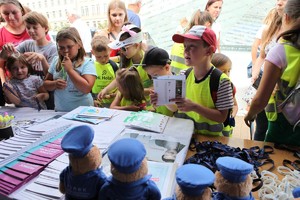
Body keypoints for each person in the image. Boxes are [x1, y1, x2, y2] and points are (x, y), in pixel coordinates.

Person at [151, 25, 234, 136]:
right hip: (187, 136)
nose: (185, 51)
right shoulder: (183, 75)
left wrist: (194, 107)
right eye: (185, 46)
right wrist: (163, 100)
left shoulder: (221, 81)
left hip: (212, 141)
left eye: (192, 46)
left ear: (209, 51)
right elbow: (175, 108)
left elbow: (222, 117)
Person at [244, 0, 300, 146]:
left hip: (283, 123)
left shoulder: (281, 51)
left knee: (273, 161)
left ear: (286, 17)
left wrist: (250, 114)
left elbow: (261, 99)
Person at [1, 11, 57, 109]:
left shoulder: (53, 48)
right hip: (29, 97)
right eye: (28, 27)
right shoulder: (27, 44)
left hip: (48, 93)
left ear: (45, 28)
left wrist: (42, 59)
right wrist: (6, 50)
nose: (31, 31)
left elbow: (52, 76)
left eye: (35, 27)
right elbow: (7, 57)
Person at [250, 0, 288, 141]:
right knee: (261, 126)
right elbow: (262, 56)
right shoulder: (268, 30)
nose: (279, 3)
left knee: (276, 128)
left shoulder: (293, 34)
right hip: (265, 83)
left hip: (282, 91)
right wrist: (255, 74)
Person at [43, 27, 96, 112]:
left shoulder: (87, 62)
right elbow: (46, 84)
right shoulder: (56, 61)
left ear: (79, 44)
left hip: (83, 112)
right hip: (61, 111)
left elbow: (86, 89)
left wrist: (70, 70)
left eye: (69, 47)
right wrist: (55, 84)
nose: (65, 51)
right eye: (61, 47)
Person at [99, 23, 152, 105]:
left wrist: (128, 91)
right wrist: (106, 89)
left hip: (149, 106)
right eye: (120, 48)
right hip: (131, 106)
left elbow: (156, 88)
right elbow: (119, 79)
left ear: (137, 45)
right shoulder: (127, 61)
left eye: (124, 48)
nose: (121, 52)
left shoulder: (150, 61)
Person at [0, 0, 30, 106]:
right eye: (6, 13)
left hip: (36, 85)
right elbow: (1, 66)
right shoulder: (1, 34)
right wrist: (5, 85)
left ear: (21, 11)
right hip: (15, 88)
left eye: (14, 12)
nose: (11, 17)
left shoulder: (33, 27)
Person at [170, 10, 213, 74]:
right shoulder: (198, 44)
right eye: (185, 46)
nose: (185, 51)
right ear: (208, 25)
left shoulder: (180, 41)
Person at [142, 47, 175, 117]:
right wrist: (153, 107)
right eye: (150, 76)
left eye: (155, 75)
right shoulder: (159, 84)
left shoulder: (176, 84)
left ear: (167, 68)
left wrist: (162, 98)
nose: (153, 79)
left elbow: (175, 108)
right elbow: (159, 109)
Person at [211, 53, 237, 137]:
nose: (226, 74)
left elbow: (235, 105)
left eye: (229, 71)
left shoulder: (230, 86)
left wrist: (232, 116)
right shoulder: (209, 87)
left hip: (226, 131)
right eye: (223, 71)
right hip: (211, 131)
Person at [91, 35, 118, 107]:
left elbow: (120, 82)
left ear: (110, 50)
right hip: (97, 102)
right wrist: (92, 99)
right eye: (99, 57)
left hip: (113, 101)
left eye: (106, 56)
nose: (103, 59)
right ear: (92, 52)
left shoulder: (114, 66)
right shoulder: (91, 66)